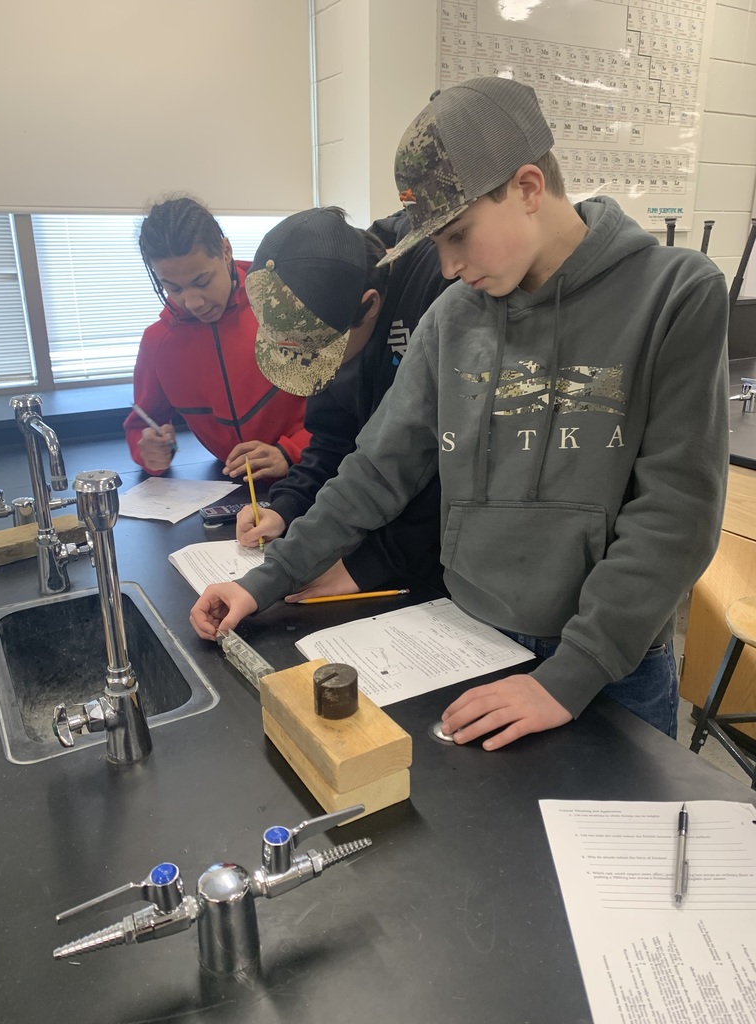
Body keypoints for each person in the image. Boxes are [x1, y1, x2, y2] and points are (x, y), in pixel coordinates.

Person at [190, 77, 729, 752]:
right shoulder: (453, 318)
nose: (446, 267)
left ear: (529, 188)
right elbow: (376, 470)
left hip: (607, 661)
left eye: (457, 235)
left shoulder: (677, 294)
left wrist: (570, 675)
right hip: (465, 640)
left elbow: (676, 515)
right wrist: (269, 577)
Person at [236, 205, 453, 598]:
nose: (325, 369)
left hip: (436, 557)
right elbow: (333, 439)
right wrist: (287, 506)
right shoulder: (324, 294)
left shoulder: (440, 283)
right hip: (368, 529)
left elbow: (444, 464)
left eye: (324, 354)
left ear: (369, 305)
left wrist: (368, 564)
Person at [123, 196, 311, 480]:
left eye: (202, 281)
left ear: (226, 250)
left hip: (313, 470)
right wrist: (150, 451)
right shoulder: (158, 343)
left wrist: (291, 450)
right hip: (229, 487)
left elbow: (345, 402)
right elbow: (143, 425)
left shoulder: (285, 303)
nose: (193, 302)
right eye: (173, 288)